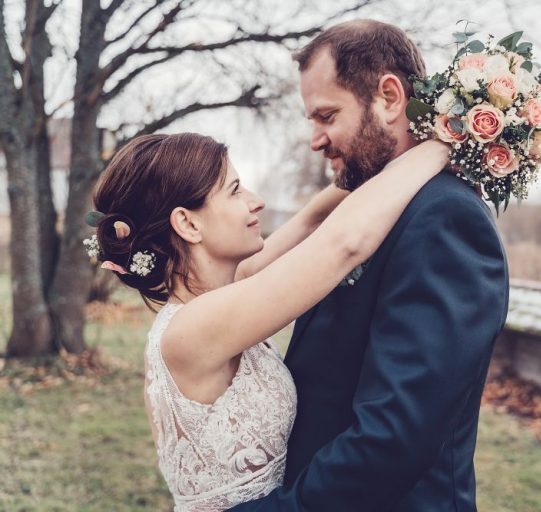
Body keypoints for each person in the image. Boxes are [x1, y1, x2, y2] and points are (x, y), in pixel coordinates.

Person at [231, 20, 509, 512]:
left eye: (326, 116)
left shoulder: (445, 218)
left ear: (389, 98)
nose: (315, 140)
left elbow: (393, 436)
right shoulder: (362, 208)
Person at [90, 131, 449, 510]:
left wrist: (390, 147)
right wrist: (448, 141)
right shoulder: (192, 329)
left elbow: (312, 219)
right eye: (234, 191)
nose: (256, 201)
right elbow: (343, 245)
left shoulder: (229, 291)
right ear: (188, 224)